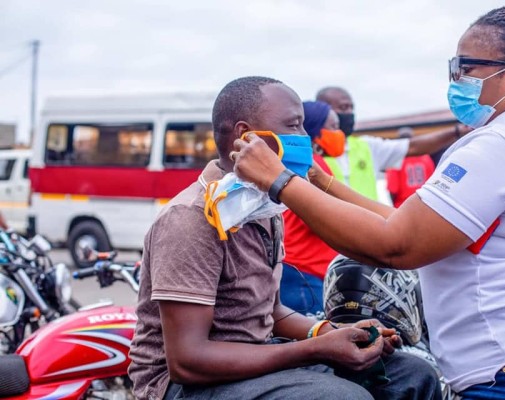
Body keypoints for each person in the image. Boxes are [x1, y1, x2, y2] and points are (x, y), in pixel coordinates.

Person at [232, 6, 505, 399]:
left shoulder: (499, 146)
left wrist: (280, 181)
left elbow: (396, 245)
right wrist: (323, 183)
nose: (456, 79)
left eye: (465, 67)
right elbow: (410, 223)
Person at [128, 76, 442, 400]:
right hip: (183, 386)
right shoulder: (191, 218)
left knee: (412, 375)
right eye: (293, 126)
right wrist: (316, 349)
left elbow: (271, 311)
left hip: (257, 357)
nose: (305, 138)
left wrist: (330, 331)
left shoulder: (261, 206)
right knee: (344, 397)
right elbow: (188, 361)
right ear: (246, 136)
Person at [316, 86, 468, 201]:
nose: (349, 113)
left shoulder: (366, 146)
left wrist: (456, 131)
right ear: (324, 111)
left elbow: (412, 147)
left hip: (368, 228)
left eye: (351, 108)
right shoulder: (312, 152)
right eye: (343, 108)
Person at [280, 101, 341, 314]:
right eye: (333, 127)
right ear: (317, 129)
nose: (339, 133)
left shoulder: (298, 161)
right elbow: (325, 216)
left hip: (296, 266)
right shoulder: (313, 165)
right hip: (307, 272)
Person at [385, 128, 435, 207]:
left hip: (403, 206)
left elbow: (393, 189)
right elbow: (433, 183)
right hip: (425, 205)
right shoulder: (426, 158)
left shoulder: (396, 160)